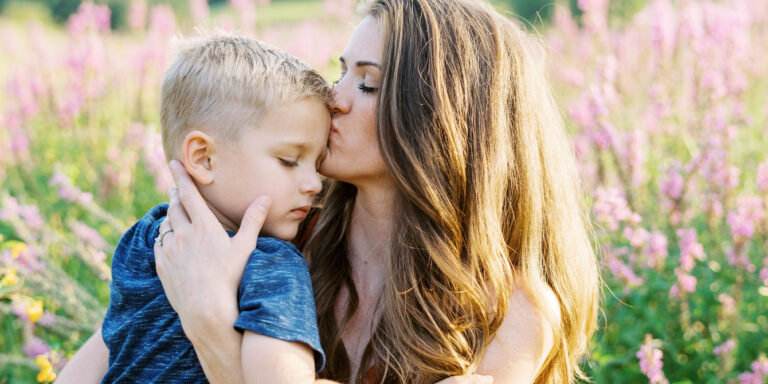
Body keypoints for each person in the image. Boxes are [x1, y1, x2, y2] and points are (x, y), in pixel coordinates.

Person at [60, 0, 600, 382]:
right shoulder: (279, 227)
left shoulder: (510, 311)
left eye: (366, 83)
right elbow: (113, 345)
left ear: (443, 119)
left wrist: (211, 328)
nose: (333, 99)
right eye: (340, 72)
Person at [57, 34, 333, 383]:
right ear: (203, 158)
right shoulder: (271, 264)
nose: (315, 183)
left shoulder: (145, 238)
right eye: (290, 161)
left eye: (318, 163)